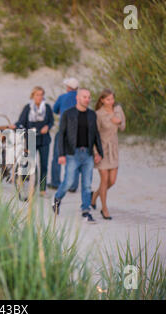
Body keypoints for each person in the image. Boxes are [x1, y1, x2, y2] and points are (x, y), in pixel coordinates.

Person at [52, 88, 103, 223]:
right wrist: (61, 154)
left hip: (87, 154)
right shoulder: (68, 114)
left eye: (89, 97)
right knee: (68, 182)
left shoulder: (92, 114)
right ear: (78, 98)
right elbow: (61, 135)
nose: (87, 99)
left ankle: (86, 211)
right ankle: (57, 199)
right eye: (85, 97)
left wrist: (99, 152)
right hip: (72, 154)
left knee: (87, 185)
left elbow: (96, 134)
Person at [10, 86, 54, 196]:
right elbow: (21, 121)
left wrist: (47, 127)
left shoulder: (47, 108)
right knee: (30, 163)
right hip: (31, 138)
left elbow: (51, 121)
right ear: (33, 96)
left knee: (44, 165)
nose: (40, 97)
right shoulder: (28, 108)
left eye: (41, 95)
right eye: (37, 95)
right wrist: (15, 125)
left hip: (44, 139)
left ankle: (42, 189)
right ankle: (26, 183)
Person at [90, 89, 126, 220]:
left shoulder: (118, 110)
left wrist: (119, 122)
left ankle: (94, 196)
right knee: (104, 180)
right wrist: (95, 152)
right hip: (102, 150)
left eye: (112, 99)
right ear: (102, 100)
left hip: (114, 149)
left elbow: (123, 128)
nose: (111, 101)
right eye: (108, 99)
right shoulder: (98, 114)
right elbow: (95, 134)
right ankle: (104, 208)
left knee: (112, 181)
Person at [48, 78, 80, 192]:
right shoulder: (80, 98)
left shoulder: (62, 97)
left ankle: (55, 182)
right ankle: (73, 185)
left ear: (68, 87)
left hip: (64, 130)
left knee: (57, 155)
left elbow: (55, 110)